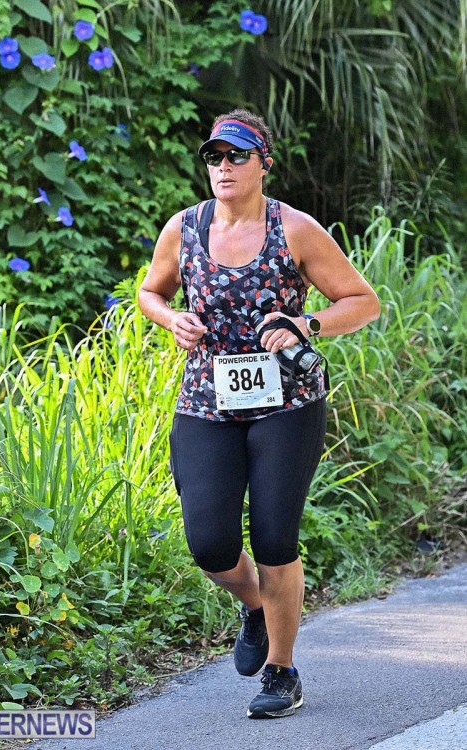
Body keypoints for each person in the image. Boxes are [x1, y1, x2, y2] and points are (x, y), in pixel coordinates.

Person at [138, 109, 380, 719]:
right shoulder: (184, 229)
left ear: (263, 163)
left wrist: (306, 323)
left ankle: (281, 669)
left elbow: (363, 301)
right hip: (206, 402)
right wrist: (171, 318)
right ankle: (255, 605)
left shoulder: (294, 229)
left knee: (274, 539)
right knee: (209, 543)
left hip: (287, 405)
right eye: (214, 156)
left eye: (237, 155)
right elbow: (150, 291)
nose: (223, 166)